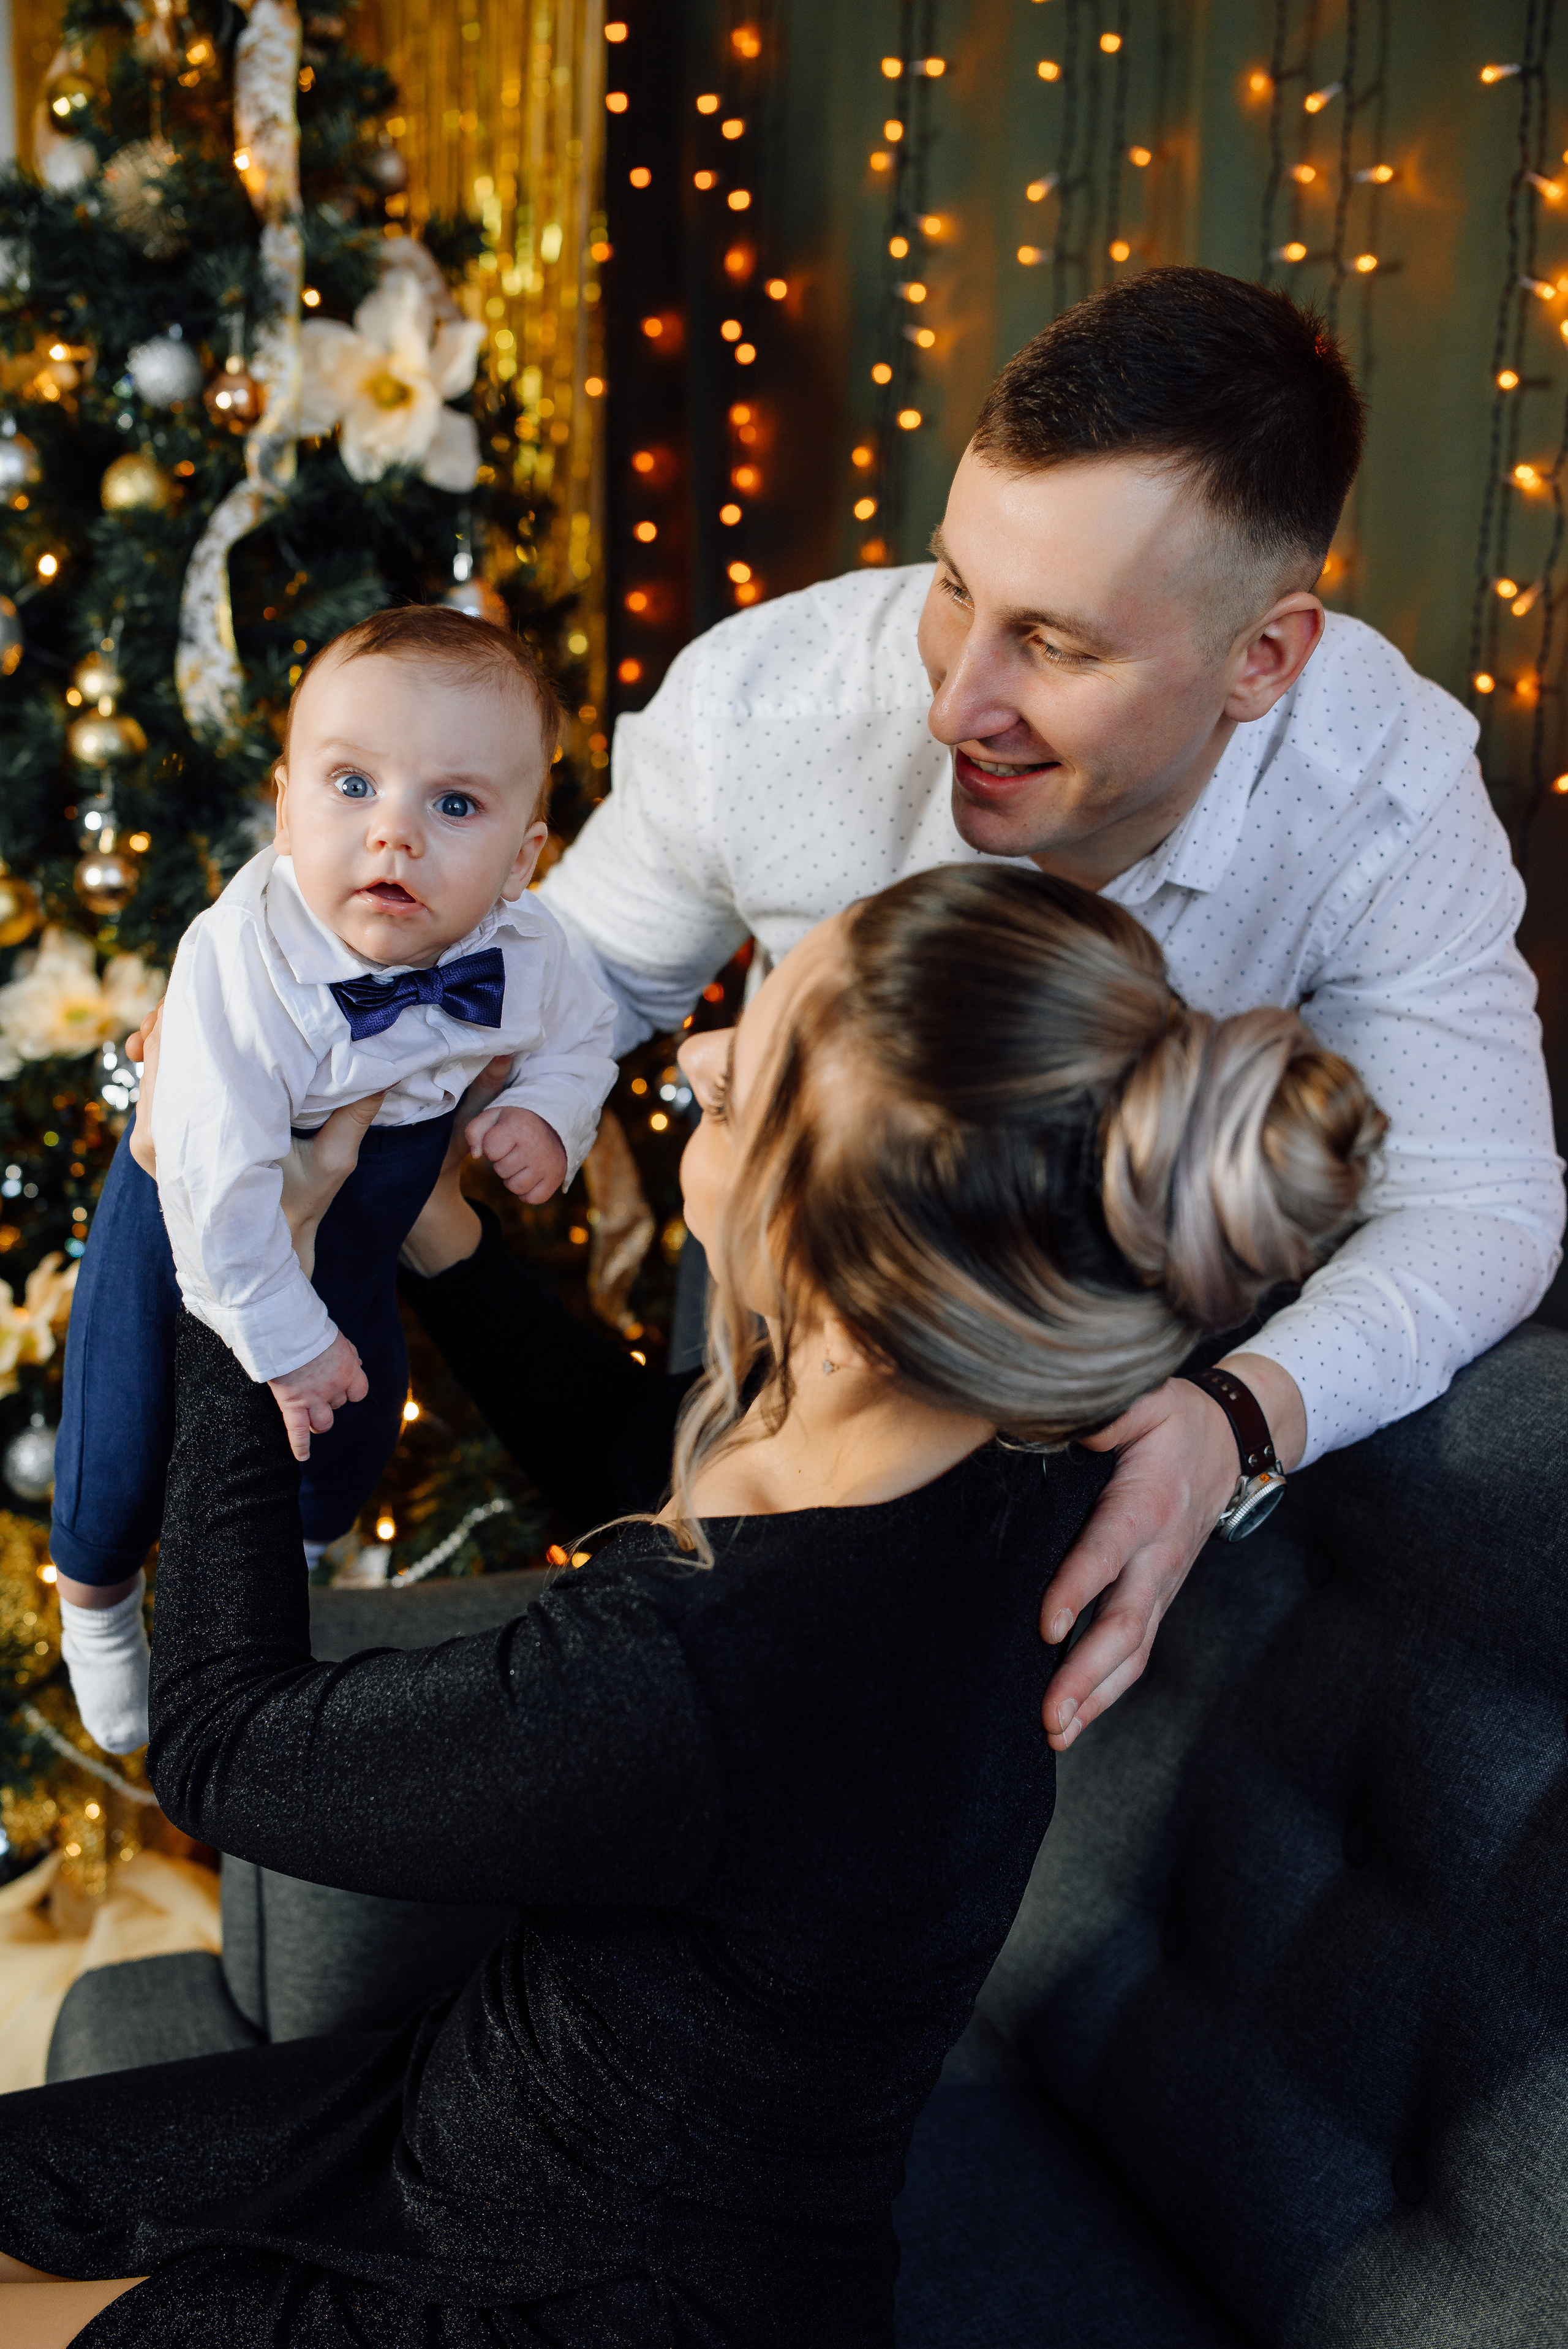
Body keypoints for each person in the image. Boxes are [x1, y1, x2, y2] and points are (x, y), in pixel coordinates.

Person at [0, 863, 1381, 2348]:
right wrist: (444, 1240)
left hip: (600, 2296)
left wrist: (244, 1284)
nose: (696, 1055)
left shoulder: (705, 1668)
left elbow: (223, 1745)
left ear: (843, 1287)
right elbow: (630, 1445)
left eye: (744, 1085)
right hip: (503, 2121)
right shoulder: (991, 1441)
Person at [538, 266, 1566, 1752]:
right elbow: (568, 981)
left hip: (1118, 1404)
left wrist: (1238, 1419)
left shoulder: (1384, 801)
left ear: (1262, 659)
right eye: (956, 585)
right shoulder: (766, 707)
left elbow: (1479, 1200)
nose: (955, 702)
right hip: (785, 1343)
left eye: (1061, 647)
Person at [50, 606, 617, 1755]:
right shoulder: (244, 962)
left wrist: (546, 1116)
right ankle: (98, 1608)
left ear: (522, 859)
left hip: (380, 1207)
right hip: (194, 1211)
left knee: (352, 1434)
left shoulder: (527, 948)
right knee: (117, 1438)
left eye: (452, 805)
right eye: (351, 786)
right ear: (284, 803)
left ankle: (298, 1561)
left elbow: (583, 1030)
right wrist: (279, 1334)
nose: (393, 837)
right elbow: (211, 1185)